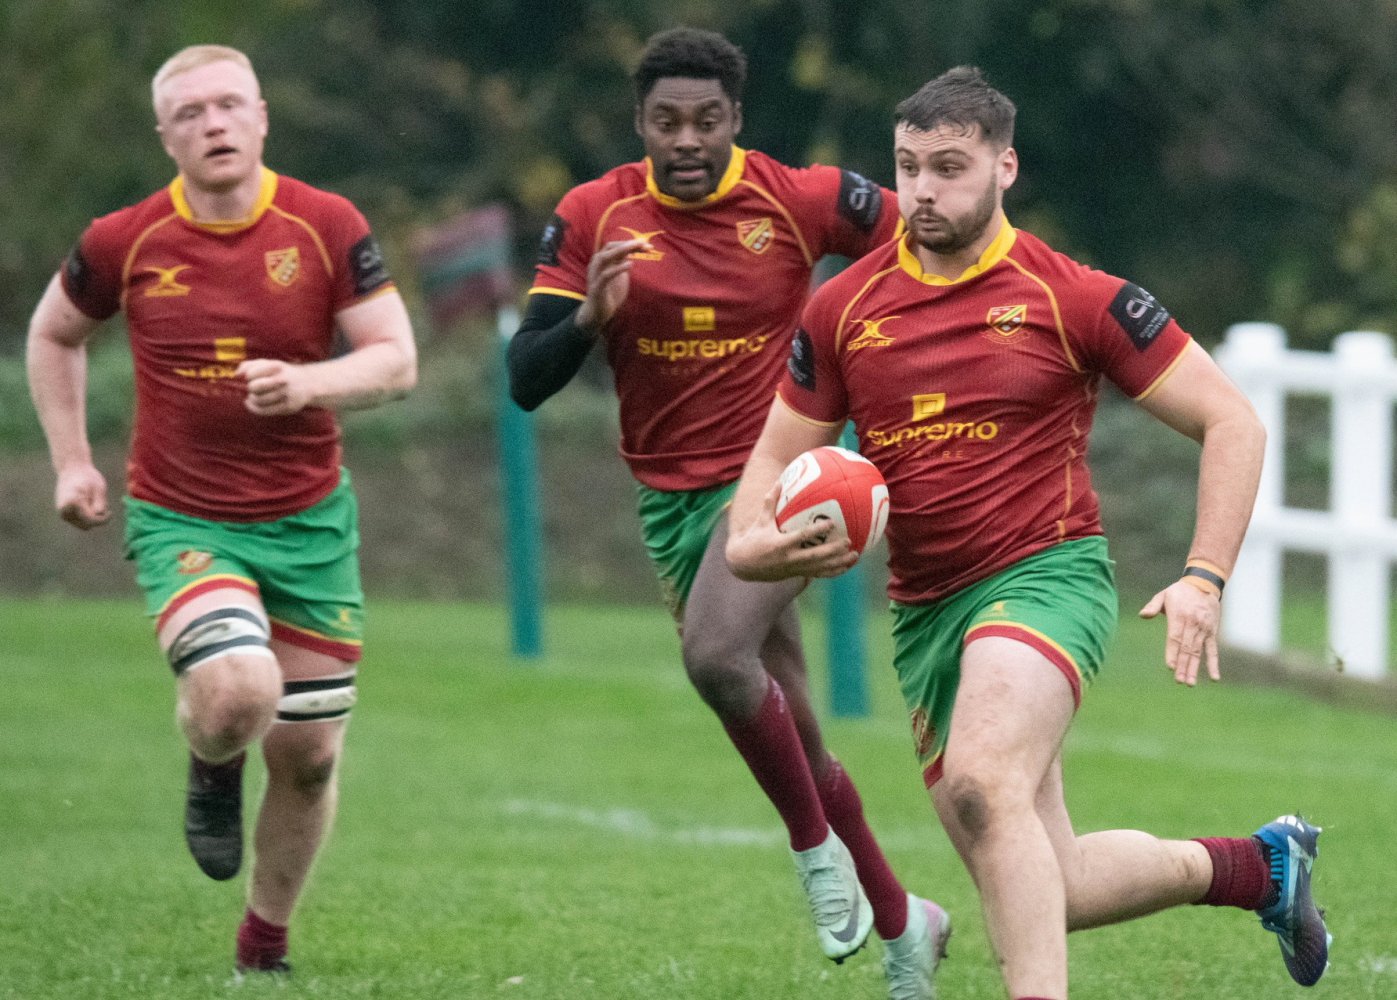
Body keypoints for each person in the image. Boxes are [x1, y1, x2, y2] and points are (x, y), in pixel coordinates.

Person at [725, 66, 1330, 999]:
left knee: (981, 781)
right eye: (907, 167)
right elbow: (771, 462)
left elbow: (1232, 423)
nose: (922, 190)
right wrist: (751, 547)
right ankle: (1258, 869)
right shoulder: (842, 309)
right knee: (1055, 884)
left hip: (1045, 576)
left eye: (949, 168)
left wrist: (1203, 575)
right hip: (925, 613)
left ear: (1004, 168)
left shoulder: (1071, 295)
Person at [508, 26, 950, 999]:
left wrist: (881, 354)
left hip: (781, 478)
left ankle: (812, 855)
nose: (687, 140)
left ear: (735, 120)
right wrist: (586, 317)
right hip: (669, 504)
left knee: (713, 656)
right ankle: (903, 921)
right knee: (791, 727)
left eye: (706, 120)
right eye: (666, 121)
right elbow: (525, 378)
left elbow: (931, 244)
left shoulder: (797, 198)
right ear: (639, 125)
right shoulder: (592, 214)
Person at [26, 45, 416, 976]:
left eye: (230, 105)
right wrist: (72, 464)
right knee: (241, 690)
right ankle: (213, 761)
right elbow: (53, 333)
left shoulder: (325, 224)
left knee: (310, 754)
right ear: (166, 136)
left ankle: (264, 948)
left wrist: (311, 383)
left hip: (311, 524)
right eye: (191, 113)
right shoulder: (125, 238)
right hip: (184, 519)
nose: (214, 124)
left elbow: (396, 361)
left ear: (262, 117)